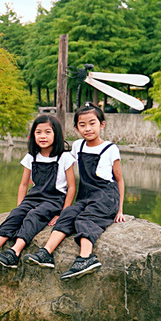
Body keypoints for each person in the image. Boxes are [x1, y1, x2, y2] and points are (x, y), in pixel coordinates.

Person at [26, 103, 130, 279]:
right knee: (68, 213)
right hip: (85, 196)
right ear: (76, 128)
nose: (87, 129)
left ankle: (86, 258)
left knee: (85, 218)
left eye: (92, 123)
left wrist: (119, 209)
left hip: (106, 197)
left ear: (102, 124)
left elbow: (119, 180)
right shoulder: (77, 146)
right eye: (82, 125)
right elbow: (60, 162)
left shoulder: (110, 148)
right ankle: (46, 252)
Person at [0, 115, 76, 269]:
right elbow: (23, 185)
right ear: (33, 135)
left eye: (48, 132)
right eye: (38, 132)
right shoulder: (31, 157)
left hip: (54, 200)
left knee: (33, 215)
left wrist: (62, 213)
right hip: (33, 197)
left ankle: (14, 252)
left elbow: (72, 188)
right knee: (16, 215)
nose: (43, 136)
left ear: (56, 134)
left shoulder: (65, 157)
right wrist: (20, 206)